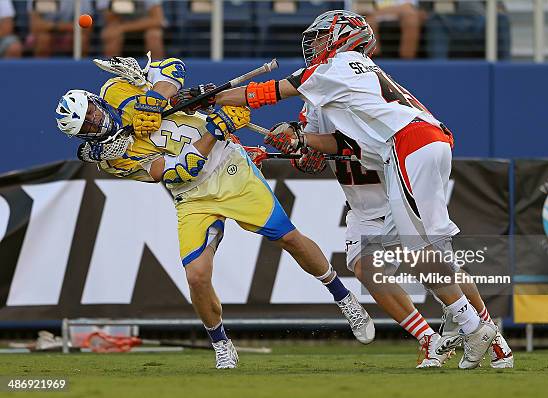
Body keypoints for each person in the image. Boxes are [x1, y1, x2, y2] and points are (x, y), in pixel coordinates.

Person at [211, 10, 507, 369]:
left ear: (342, 37)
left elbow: (268, 93)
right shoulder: (355, 73)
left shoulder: (333, 68)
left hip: (407, 147)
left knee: (419, 250)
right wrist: (294, 141)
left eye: (322, 38)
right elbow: (317, 149)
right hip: (422, 142)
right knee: (421, 249)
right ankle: (471, 328)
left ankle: (475, 327)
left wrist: (213, 97)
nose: (315, 46)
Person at [54, 54, 374, 369]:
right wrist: (215, 129)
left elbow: (172, 67)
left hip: (230, 168)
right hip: (192, 194)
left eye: (93, 113)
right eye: (88, 125)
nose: (97, 121)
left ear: (97, 100)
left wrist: (154, 100)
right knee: (196, 276)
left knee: (287, 238)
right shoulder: (112, 159)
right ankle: (222, 344)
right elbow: (181, 172)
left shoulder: (117, 90)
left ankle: (343, 297)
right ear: (83, 136)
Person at [282, 102, 512, 368]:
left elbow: (354, 143)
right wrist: (297, 147)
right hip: (363, 208)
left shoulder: (370, 94)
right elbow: (310, 157)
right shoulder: (315, 104)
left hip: (400, 197)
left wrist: (305, 139)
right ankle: (429, 340)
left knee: (441, 271)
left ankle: (490, 334)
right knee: (365, 269)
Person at [423, 1, 511, 59]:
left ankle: (505, 74)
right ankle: (438, 74)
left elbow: (500, 8)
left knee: (501, 19)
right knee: (435, 21)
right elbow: (426, 7)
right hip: (446, 21)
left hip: (479, 23)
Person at [97, 0, 165, 58]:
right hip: (122, 30)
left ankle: (156, 71)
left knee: (154, 35)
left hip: (146, 28)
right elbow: (110, 20)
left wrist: (123, 28)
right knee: (111, 33)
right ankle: (112, 70)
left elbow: (157, 20)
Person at [28, 0, 92, 57]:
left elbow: (86, 28)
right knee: (44, 39)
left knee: (82, 39)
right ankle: (42, 69)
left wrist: (52, 26)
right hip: (46, 34)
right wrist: (63, 27)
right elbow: (35, 26)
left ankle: (79, 69)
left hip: (71, 34)